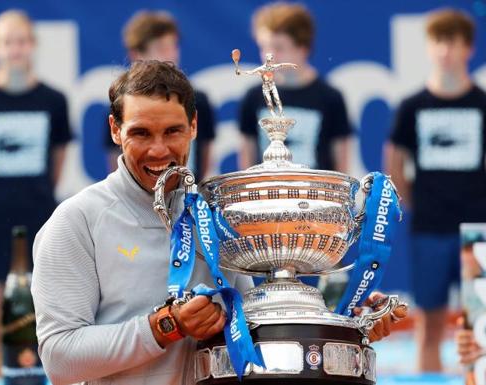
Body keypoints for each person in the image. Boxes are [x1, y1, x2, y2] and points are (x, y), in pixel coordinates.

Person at [31, 60, 404, 385]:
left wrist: (346, 321)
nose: (159, 149)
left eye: (173, 131)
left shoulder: (213, 216)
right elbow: (60, 358)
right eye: (141, 133)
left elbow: (249, 325)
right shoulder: (76, 221)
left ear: (193, 126)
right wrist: (167, 326)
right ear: (115, 130)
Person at [0, 10, 72, 378]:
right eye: (7, 42)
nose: (15, 49)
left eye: (21, 41)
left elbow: (56, 162)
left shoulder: (54, 100)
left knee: (47, 321)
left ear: (33, 45)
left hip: (40, 216)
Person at [385, 8, 486, 372]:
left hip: (478, 228)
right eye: (437, 42)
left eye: (452, 42)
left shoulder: (481, 104)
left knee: (481, 326)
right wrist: (415, 203)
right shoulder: (412, 106)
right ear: (429, 48)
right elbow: (395, 162)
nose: (444, 50)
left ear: (467, 48)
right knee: (429, 322)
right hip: (429, 226)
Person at [238, 2, 352, 172]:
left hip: (315, 195)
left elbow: (341, 163)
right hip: (267, 195)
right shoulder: (253, 97)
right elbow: (247, 158)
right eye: (264, 47)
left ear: (303, 49)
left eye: (279, 48)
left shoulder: (330, 98)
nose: (270, 55)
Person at [103, 10, 215, 180]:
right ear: (136, 54)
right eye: (161, 48)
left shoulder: (198, 100)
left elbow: (206, 154)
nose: (171, 55)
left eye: (173, 46)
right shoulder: (124, 104)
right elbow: (114, 159)